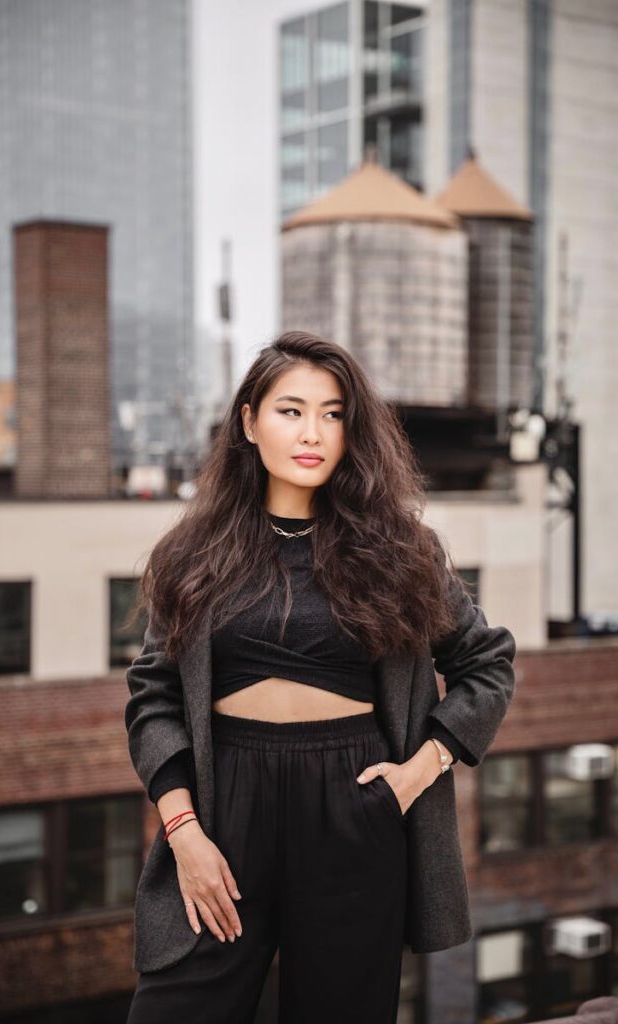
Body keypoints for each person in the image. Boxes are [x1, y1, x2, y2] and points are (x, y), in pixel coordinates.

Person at [124, 330, 517, 1023]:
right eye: (291, 410)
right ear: (248, 421)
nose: (313, 433)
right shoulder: (191, 552)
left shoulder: (402, 552)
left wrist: (419, 769)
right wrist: (183, 831)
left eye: (333, 414)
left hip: (354, 803)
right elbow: (152, 698)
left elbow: (486, 663)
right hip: (223, 806)